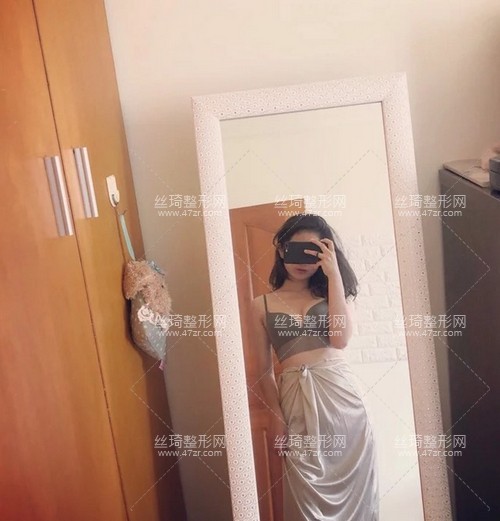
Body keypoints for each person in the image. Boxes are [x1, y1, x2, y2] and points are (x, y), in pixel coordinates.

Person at [250, 213, 379, 521]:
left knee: (359, 501)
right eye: (295, 250)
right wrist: (275, 415)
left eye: (312, 252)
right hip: (295, 401)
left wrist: (334, 276)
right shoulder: (260, 305)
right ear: (281, 250)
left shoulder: (331, 293)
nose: (302, 261)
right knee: (305, 496)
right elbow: (262, 370)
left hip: (343, 402)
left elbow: (340, 339)